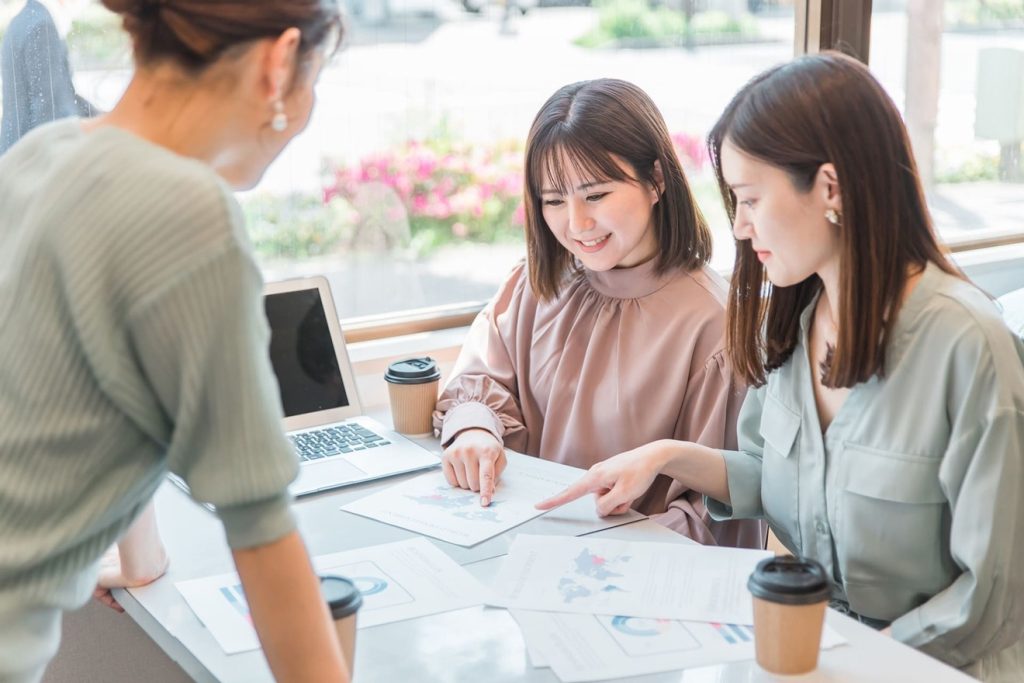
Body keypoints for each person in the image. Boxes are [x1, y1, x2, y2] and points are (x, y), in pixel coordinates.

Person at [537, 52, 1024, 679]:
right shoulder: (798, 321)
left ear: (830, 188)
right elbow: (778, 473)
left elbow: (995, 595)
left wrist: (853, 662)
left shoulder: (968, 348)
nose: (739, 227)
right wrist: (663, 456)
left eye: (749, 199)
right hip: (813, 648)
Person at [0, 1, 352, 681]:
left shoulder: (39, 157)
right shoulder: (188, 212)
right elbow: (262, 529)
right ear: (279, 63)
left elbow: (86, 389)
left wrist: (142, 560)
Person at [433, 78, 763, 548]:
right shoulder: (535, 286)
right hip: (523, 549)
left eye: (596, 195)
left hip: (637, 579)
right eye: (553, 201)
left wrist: (591, 551)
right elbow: (481, 383)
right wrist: (473, 428)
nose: (576, 224)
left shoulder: (714, 326)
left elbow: (714, 513)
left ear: (656, 180)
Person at [0, 0, 96, 155]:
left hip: (16, 154)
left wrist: (106, 117)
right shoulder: (42, 25)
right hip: (30, 160)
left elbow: (62, 94)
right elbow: (50, 110)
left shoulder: (25, 19)